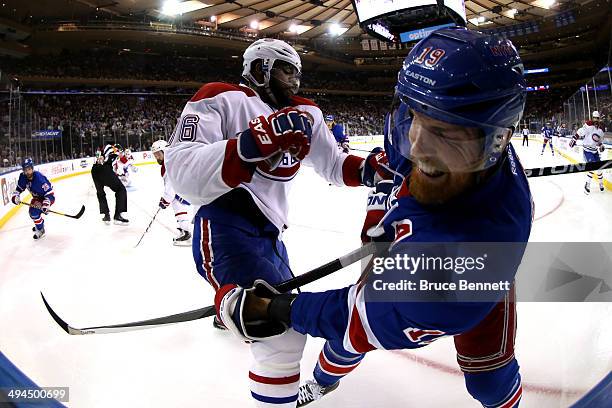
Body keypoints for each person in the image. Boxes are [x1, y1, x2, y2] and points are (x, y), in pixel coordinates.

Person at [215, 28, 532, 408]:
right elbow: (393, 175)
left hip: (460, 284)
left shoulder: (476, 255)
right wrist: (378, 218)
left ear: (497, 142)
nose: (417, 147)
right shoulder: (422, 132)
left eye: (446, 134)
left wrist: (277, 308)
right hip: (410, 250)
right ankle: (321, 383)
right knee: (348, 341)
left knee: (487, 380)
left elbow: (358, 319)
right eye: (412, 116)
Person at [165, 38, 390, 407]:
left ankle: (234, 313)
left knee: (283, 325)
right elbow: (181, 171)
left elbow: (333, 164)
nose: (295, 81)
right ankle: (234, 311)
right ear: (259, 70)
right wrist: (249, 145)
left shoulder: (306, 113)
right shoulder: (220, 97)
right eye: (286, 71)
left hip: (270, 235)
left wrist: (369, 169)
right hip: (225, 221)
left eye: (297, 73)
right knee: (277, 333)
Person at [151, 139, 192, 245]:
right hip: (184, 190)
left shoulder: (169, 165)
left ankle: (186, 234)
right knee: (178, 208)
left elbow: (171, 186)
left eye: (158, 154)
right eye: (155, 155)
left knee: (180, 207)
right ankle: (184, 230)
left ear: (165, 152)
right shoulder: (169, 163)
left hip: (183, 191)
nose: (156, 157)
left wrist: (165, 200)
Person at [11, 158, 55, 240]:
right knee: (33, 213)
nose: (27, 172)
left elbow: (50, 194)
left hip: (47, 197)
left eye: (29, 169)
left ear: (32, 168)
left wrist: (46, 204)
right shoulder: (23, 177)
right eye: (25, 170)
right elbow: (19, 189)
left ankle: (40, 229)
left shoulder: (39, 179)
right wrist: (15, 195)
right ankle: (39, 224)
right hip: (37, 198)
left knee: (34, 213)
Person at [91, 144, 129, 225]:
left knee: (100, 193)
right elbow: (121, 159)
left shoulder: (110, 152)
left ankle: (106, 215)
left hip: (94, 171)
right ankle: (117, 216)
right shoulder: (113, 149)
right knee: (121, 189)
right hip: (105, 170)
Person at [570, 110, 605, 194]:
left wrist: (601, 146)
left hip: (595, 151)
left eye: (597, 118)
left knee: (599, 168)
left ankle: (600, 183)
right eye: (594, 118)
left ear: (599, 118)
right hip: (587, 151)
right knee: (593, 165)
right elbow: (580, 131)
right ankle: (587, 184)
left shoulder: (601, 129)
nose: (596, 119)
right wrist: (574, 139)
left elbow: (598, 140)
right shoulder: (589, 124)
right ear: (592, 118)